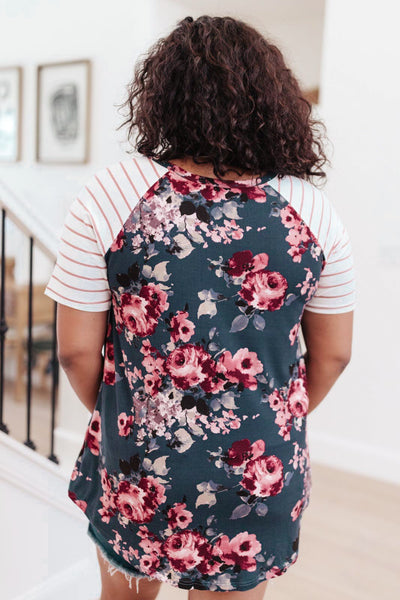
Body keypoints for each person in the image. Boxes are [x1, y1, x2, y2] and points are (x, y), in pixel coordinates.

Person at [45, 14, 355, 600]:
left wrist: (128, 413)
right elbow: (335, 355)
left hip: (141, 458)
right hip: (260, 463)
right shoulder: (312, 211)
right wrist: (271, 413)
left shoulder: (113, 193)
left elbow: (75, 348)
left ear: (163, 97)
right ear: (276, 103)